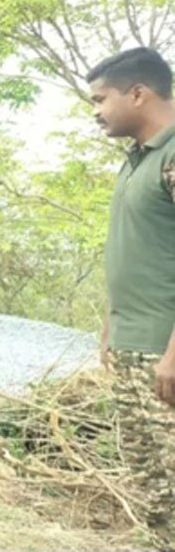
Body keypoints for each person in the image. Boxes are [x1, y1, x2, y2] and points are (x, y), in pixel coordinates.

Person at [89, 47, 175, 548]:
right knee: (153, 490)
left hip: (163, 355)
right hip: (132, 350)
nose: (96, 112)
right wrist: (110, 326)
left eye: (101, 99)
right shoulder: (138, 160)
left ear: (138, 93)